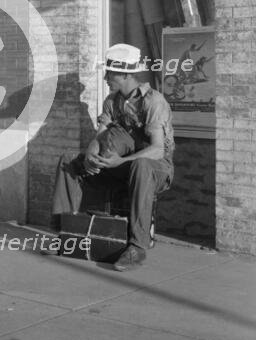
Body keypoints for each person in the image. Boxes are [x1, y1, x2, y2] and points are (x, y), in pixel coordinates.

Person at [51, 43, 175, 271]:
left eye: (111, 73)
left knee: (141, 164)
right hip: (120, 165)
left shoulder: (154, 102)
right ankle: (66, 234)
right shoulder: (112, 101)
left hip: (156, 169)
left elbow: (158, 149)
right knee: (69, 160)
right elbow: (99, 137)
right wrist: (90, 154)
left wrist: (121, 161)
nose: (106, 77)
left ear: (127, 74)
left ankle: (137, 247)